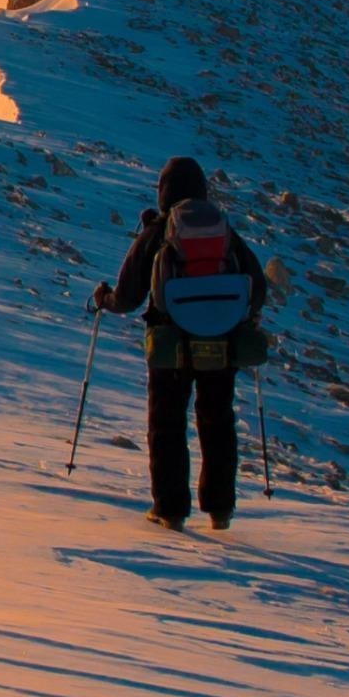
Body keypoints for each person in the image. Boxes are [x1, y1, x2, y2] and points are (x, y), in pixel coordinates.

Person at [92, 157, 267, 530]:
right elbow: (258, 287)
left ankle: (170, 509)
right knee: (217, 419)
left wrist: (103, 299)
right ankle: (220, 509)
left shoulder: (158, 232)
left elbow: (127, 296)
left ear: (163, 193)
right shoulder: (225, 233)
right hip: (222, 344)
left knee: (167, 423)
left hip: (170, 343)